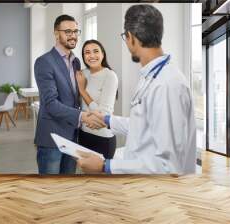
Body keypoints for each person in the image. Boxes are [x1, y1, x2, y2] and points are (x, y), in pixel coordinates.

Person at [77, 4, 197, 175]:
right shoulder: (151, 76)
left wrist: (106, 165)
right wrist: (108, 120)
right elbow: (143, 125)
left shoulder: (167, 84)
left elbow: (169, 165)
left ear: (130, 37)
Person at [34, 15, 105, 175]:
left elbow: (74, 97)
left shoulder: (76, 61)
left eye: (75, 31)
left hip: (72, 134)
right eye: (67, 31)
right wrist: (83, 116)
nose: (73, 35)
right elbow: (51, 103)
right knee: (50, 189)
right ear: (56, 33)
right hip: (52, 136)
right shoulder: (44, 62)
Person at [76, 40, 119, 159]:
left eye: (96, 51)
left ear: (103, 54)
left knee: (100, 177)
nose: (92, 56)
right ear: (83, 56)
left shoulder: (110, 75)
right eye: (87, 52)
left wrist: (82, 91)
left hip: (102, 137)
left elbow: (103, 115)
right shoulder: (82, 73)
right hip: (83, 134)